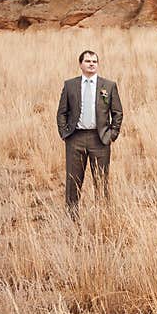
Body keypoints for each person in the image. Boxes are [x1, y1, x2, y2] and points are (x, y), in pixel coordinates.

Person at [56, 50, 123, 213]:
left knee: (101, 180)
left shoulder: (108, 85)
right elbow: (61, 112)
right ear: (81, 64)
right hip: (75, 138)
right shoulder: (70, 85)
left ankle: (103, 215)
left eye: (94, 61)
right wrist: (65, 134)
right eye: (87, 61)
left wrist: (111, 135)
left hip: (99, 139)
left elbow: (117, 113)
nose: (91, 64)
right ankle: (72, 217)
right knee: (73, 181)